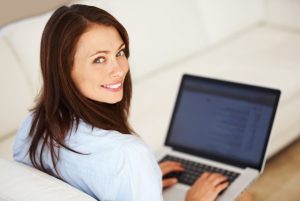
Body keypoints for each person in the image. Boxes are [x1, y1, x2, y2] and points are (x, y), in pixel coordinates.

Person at [13, 4, 251, 201]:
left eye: (120, 52)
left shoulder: (31, 128)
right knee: (242, 197)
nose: (118, 70)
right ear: (64, 70)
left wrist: (145, 176)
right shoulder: (128, 155)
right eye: (99, 59)